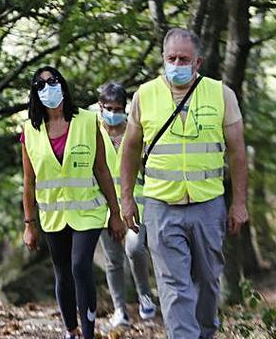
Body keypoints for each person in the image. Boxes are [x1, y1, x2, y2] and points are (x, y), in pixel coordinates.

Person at [120, 28, 249, 339]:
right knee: (174, 285)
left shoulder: (221, 94)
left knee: (207, 281)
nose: (176, 63)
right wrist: (126, 198)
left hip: (208, 205)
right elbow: (130, 148)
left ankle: (206, 332)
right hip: (161, 207)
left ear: (198, 62)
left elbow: (237, 151)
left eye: (184, 59)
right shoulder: (145, 95)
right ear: (163, 59)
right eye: (171, 58)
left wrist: (240, 203)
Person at [20, 66, 125, 339]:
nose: (48, 88)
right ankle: (71, 329)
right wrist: (29, 224)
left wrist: (115, 213)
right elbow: (28, 182)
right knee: (63, 272)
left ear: (62, 85)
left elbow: (101, 169)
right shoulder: (29, 132)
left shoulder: (88, 121)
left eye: (52, 81)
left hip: (88, 210)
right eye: (40, 85)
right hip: (53, 214)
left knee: (80, 266)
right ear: (35, 93)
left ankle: (88, 331)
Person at [95, 82, 156, 328]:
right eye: (108, 107)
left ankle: (144, 294)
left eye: (117, 108)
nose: (112, 112)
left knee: (135, 248)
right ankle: (120, 310)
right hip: (104, 205)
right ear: (100, 107)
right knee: (113, 260)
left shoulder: (135, 130)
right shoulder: (93, 131)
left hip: (136, 201)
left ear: (125, 107)